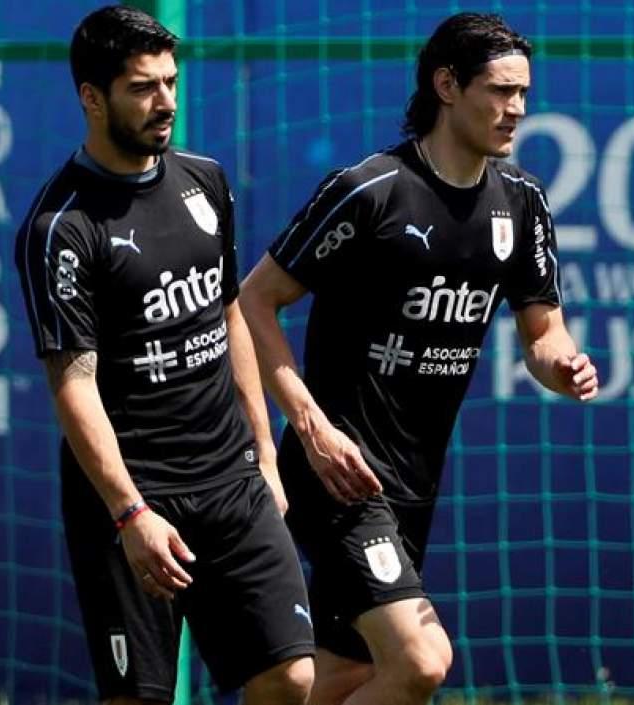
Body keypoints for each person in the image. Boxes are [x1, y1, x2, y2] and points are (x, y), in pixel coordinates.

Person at [239, 12, 599, 705]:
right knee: (422, 660)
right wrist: (312, 428)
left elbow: (544, 332)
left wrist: (562, 365)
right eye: (500, 91)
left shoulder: (522, 202)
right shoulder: (370, 189)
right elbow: (255, 300)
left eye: (524, 93)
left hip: (413, 482)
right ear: (447, 85)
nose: (517, 109)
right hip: (338, 473)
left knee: (344, 675)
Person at [13, 6, 314, 704]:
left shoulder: (205, 181)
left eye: (171, 82)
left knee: (291, 675)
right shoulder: (61, 227)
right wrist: (129, 513)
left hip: (232, 479)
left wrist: (265, 454)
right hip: (135, 495)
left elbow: (229, 315)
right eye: (143, 87)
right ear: (92, 98)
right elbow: (73, 383)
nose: (167, 101)